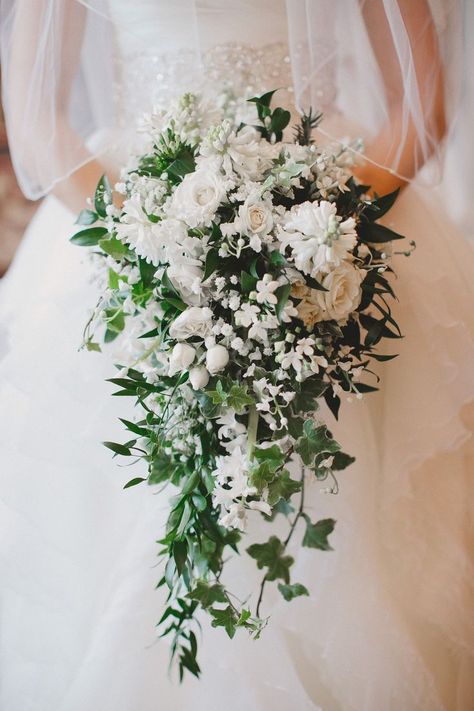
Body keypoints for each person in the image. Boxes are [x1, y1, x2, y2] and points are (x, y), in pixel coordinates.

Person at [0, 1, 472, 709]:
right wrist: (158, 245)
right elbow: (35, 121)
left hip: (325, 211)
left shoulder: (322, 225)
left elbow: (421, 105)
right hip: (130, 212)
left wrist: (318, 233)